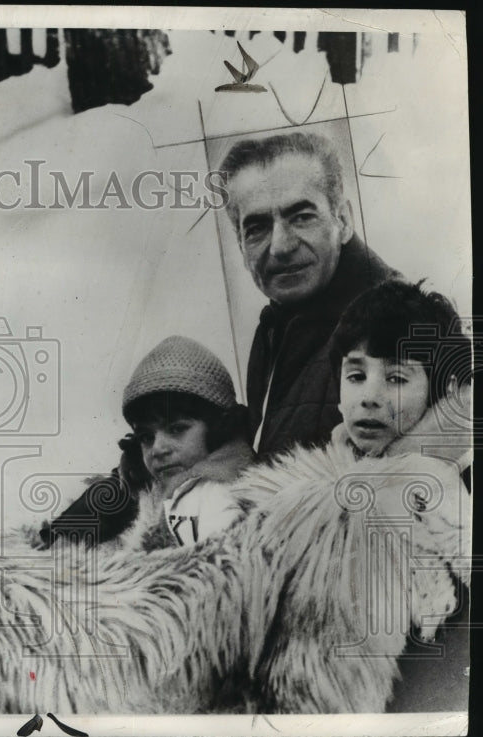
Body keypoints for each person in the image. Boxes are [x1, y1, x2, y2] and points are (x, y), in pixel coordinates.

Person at [325, 279, 472, 713]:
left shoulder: (450, 483)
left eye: (396, 377)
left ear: (440, 389)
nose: (368, 397)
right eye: (355, 375)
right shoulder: (333, 471)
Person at [219, 131, 401, 458]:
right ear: (240, 244)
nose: (280, 246)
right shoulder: (275, 324)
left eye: (302, 217)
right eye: (257, 228)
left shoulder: (400, 325)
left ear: (343, 221)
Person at [38, 336, 256, 550]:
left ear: (218, 430)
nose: (158, 449)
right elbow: (111, 496)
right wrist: (63, 531)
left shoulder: (220, 495)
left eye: (177, 429)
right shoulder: (145, 478)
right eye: (146, 437)